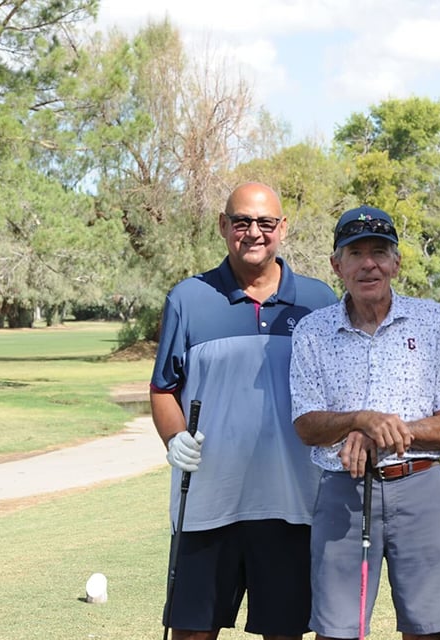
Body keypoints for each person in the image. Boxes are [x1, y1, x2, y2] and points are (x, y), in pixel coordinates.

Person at [150, 182, 338, 640]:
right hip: (207, 503)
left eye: (265, 222)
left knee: (284, 631)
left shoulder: (319, 302)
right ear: (223, 226)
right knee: (193, 632)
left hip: (293, 504)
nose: (253, 232)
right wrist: (175, 438)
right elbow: (162, 390)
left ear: (282, 229)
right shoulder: (187, 299)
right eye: (241, 221)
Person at [289, 205, 440, 640]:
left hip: (420, 489)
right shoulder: (312, 331)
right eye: (355, 252)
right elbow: (306, 425)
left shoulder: (431, 321)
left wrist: (380, 434)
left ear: (396, 261)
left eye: (379, 251)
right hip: (342, 493)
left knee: (427, 630)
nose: (368, 263)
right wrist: (361, 419)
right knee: (337, 631)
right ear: (337, 264)